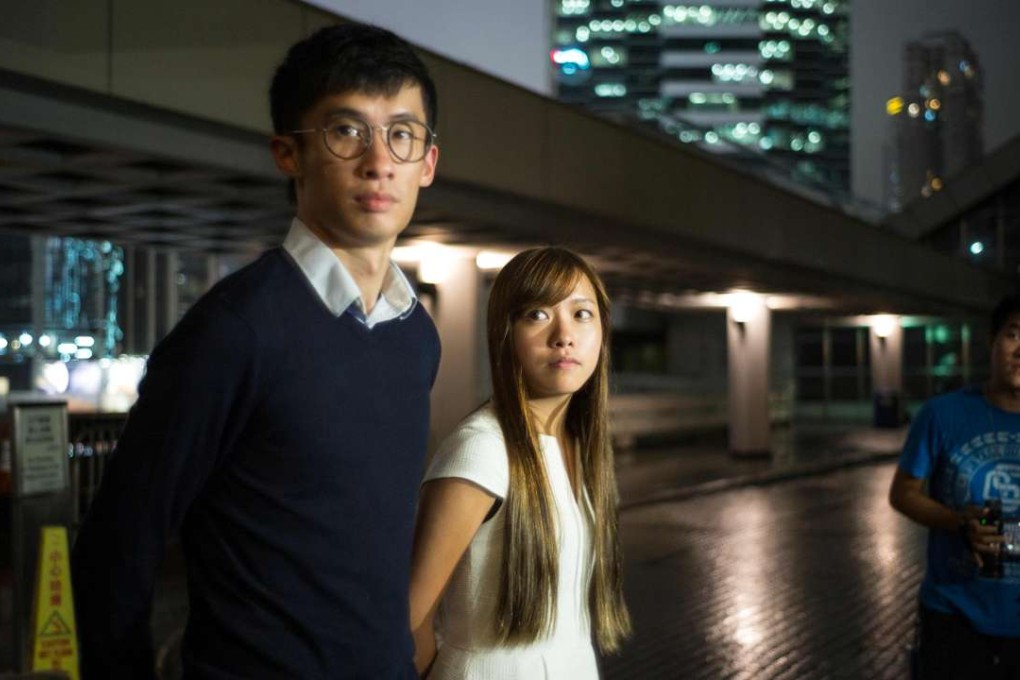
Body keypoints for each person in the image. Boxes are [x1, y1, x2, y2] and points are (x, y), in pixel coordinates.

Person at [71, 23, 441, 679]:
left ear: (428, 163)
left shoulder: (416, 334)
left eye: (402, 134)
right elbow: (118, 545)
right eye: (346, 130)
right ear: (287, 153)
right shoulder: (234, 330)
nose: (379, 160)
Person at [409, 247, 631, 678]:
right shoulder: (482, 450)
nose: (564, 335)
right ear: (504, 333)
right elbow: (409, 619)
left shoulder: (573, 445)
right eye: (537, 314)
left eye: (582, 314)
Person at [890, 293, 1020, 679]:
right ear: (991, 341)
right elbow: (903, 493)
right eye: (1014, 334)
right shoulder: (943, 414)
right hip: (954, 615)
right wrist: (959, 522)